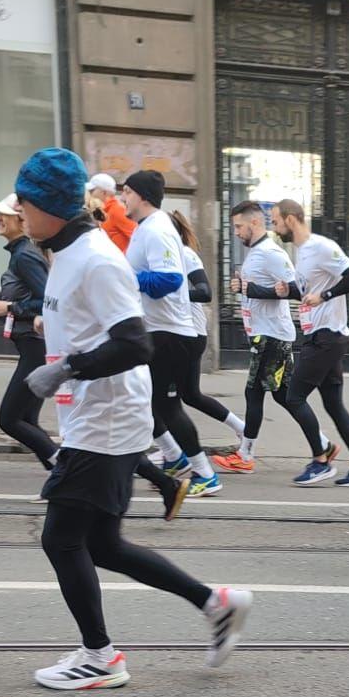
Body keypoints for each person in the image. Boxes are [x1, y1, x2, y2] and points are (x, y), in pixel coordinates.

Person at [8, 149, 253, 690]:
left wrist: (65, 369)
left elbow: (135, 343)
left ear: (47, 205)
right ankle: (215, 604)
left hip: (107, 421)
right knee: (102, 544)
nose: (19, 211)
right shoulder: (65, 254)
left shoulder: (94, 258)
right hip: (94, 417)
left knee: (61, 540)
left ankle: (100, 656)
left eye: (24, 201)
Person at [207, 199, 332, 479]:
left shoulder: (272, 253)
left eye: (239, 226)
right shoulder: (255, 253)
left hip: (272, 336)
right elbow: (261, 289)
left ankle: (245, 455)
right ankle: (323, 444)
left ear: (255, 223)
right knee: (285, 396)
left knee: (254, 393)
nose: (236, 232)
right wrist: (243, 288)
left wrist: (252, 289)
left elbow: (298, 289)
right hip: (266, 334)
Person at [117, 170, 220, 496]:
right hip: (158, 330)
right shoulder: (147, 228)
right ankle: (174, 458)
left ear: (142, 196)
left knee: (168, 406)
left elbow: (169, 280)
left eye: (127, 192)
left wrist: (126, 279)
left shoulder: (157, 230)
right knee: (148, 400)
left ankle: (205, 475)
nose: (122, 198)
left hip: (170, 334)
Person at [274, 198, 349, 487]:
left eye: (276, 221)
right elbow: (310, 292)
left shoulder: (321, 246)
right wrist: (289, 290)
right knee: (333, 404)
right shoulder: (302, 252)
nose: (275, 227)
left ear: (291, 220)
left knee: (293, 397)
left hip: (326, 336)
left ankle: (321, 460)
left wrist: (325, 297)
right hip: (320, 334)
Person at [0, 193, 57, 470]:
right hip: (32, 347)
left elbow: (48, 300)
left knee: (9, 420)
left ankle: (64, 469)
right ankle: (60, 478)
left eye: (4, 214)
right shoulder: (19, 254)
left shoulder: (25, 256)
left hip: (36, 349)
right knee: (27, 420)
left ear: (21, 220)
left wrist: (8, 306)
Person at [87, 172, 134, 252]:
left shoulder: (117, 210)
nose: (89, 194)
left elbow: (136, 238)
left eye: (92, 191)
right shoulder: (100, 211)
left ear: (104, 192)